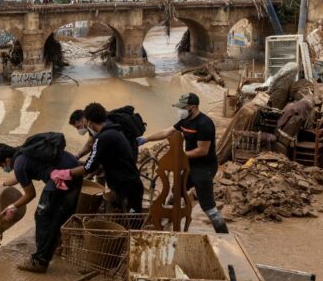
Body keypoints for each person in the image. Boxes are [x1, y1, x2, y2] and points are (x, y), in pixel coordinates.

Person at [137, 93, 228, 233]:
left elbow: (202, 151)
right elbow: (167, 131)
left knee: (208, 206)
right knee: (176, 190)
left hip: (204, 167)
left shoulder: (204, 123)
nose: (180, 110)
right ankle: (166, 218)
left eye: (183, 107)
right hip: (189, 164)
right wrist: (146, 139)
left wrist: (179, 156)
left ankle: (224, 235)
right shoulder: (185, 121)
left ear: (192, 107)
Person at [0, 134, 82, 273]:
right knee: (61, 213)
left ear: (7, 160)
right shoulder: (23, 152)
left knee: (43, 216)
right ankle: (57, 245)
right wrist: (3, 185)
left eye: (2, 165)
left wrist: (13, 206)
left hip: (61, 179)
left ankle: (39, 261)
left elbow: (30, 194)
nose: (4, 168)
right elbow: (19, 176)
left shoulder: (19, 164)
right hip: (74, 171)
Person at [55, 103, 144, 213]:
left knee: (126, 219)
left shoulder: (103, 138)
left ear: (88, 121)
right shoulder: (114, 130)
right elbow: (94, 150)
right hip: (133, 184)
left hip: (125, 189)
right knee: (134, 220)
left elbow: (88, 167)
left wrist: (65, 173)